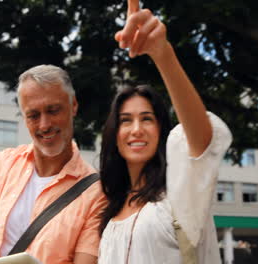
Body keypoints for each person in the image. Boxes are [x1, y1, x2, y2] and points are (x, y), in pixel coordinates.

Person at [97, 1, 232, 263]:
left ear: (161, 129)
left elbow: (203, 143)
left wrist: (163, 54)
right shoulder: (109, 214)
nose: (136, 129)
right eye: (125, 120)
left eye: (146, 119)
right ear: (114, 134)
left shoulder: (181, 194)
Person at [0, 65, 107, 264]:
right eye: (33, 116)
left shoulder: (97, 193)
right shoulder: (2, 164)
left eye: (53, 111)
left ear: (74, 106)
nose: (44, 125)